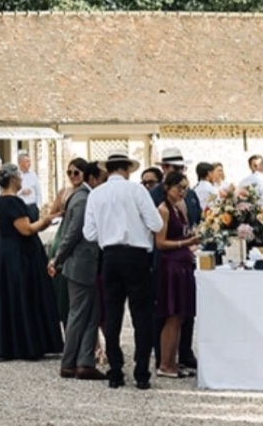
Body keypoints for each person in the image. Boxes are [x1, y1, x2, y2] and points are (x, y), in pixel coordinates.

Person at [83, 150, 164, 390]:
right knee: (141, 315)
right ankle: (142, 372)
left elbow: (89, 233)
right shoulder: (137, 191)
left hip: (110, 256)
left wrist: (108, 232)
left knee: (112, 314)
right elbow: (156, 223)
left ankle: (116, 371)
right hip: (136, 255)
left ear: (108, 170)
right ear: (127, 169)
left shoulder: (96, 194)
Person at [0, 163, 62, 361]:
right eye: (18, 175)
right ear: (12, 179)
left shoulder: (2, 200)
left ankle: (9, 342)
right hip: (18, 254)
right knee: (22, 295)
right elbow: (26, 229)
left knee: (11, 296)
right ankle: (26, 343)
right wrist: (47, 221)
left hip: (7, 251)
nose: (21, 179)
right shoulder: (13, 202)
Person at [50, 160, 106, 380]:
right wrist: (58, 259)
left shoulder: (83, 196)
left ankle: (84, 362)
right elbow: (73, 233)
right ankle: (70, 362)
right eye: (102, 179)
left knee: (91, 314)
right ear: (92, 179)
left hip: (86, 265)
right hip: (81, 264)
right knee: (78, 314)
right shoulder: (83, 199)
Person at [152, 170, 198, 380]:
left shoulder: (179, 208)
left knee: (180, 316)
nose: (182, 192)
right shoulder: (163, 210)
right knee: (172, 315)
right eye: (179, 188)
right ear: (167, 188)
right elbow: (160, 242)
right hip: (171, 266)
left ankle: (172, 360)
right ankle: (165, 362)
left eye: (185, 188)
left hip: (183, 263)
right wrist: (185, 243)